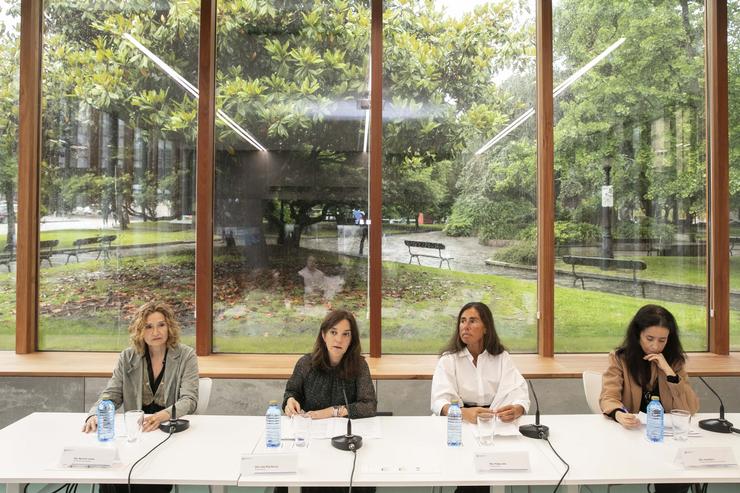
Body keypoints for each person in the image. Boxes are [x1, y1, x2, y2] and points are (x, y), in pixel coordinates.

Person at [83, 301, 199, 493]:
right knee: (111, 474)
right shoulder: (127, 357)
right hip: (136, 433)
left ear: (169, 326)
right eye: (148, 326)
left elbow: (189, 400)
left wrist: (163, 415)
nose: (156, 332)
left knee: (144, 479)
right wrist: (95, 413)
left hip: (166, 433)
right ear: (139, 330)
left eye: (161, 325)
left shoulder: (186, 356)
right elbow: (112, 394)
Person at [600, 304, 699, 493]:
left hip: (666, 439)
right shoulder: (620, 358)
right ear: (638, 335)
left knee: (676, 477)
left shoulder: (674, 361)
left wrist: (669, 372)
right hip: (633, 436)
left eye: (662, 340)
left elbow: (690, 408)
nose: (655, 346)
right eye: (649, 339)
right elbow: (608, 396)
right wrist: (619, 414)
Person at [431, 301, 530, 424]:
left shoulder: (502, 357)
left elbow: (519, 393)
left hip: (495, 421)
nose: (465, 326)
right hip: (458, 420)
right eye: (462, 321)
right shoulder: (448, 359)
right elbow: (438, 401)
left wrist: (516, 410)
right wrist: (463, 413)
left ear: (486, 328)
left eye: (472, 321)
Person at [283, 309, 376, 419]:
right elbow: (292, 392)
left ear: (351, 339)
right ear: (324, 335)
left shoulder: (359, 365)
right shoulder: (306, 363)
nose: (338, 340)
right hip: (311, 429)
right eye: (333, 332)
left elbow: (369, 406)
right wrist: (290, 401)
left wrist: (332, 411)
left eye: (346, 334)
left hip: (346, 431)